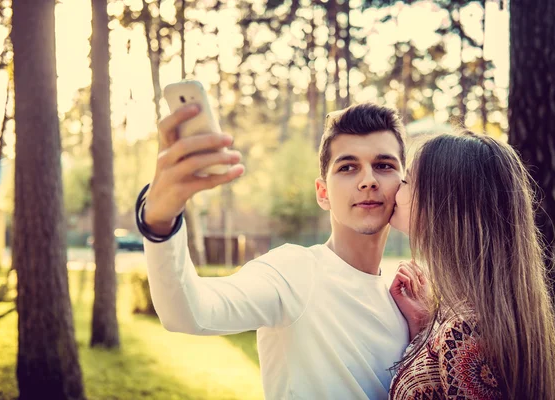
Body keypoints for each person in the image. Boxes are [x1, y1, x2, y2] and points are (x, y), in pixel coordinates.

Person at [136, 102, 411, 399]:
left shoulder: (405, 297)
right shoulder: (293, 272)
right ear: (323, 193)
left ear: (404, 183)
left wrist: (419, 331)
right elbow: (189, 312)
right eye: (347, 167)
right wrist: (160, 222)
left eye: (384, 166)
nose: (368, 180)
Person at [387, 131, 555, 399]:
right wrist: (422, 327)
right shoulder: (474, 315)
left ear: (442, 203)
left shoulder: (464, 332)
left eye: (406, 180)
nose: (395, 189)